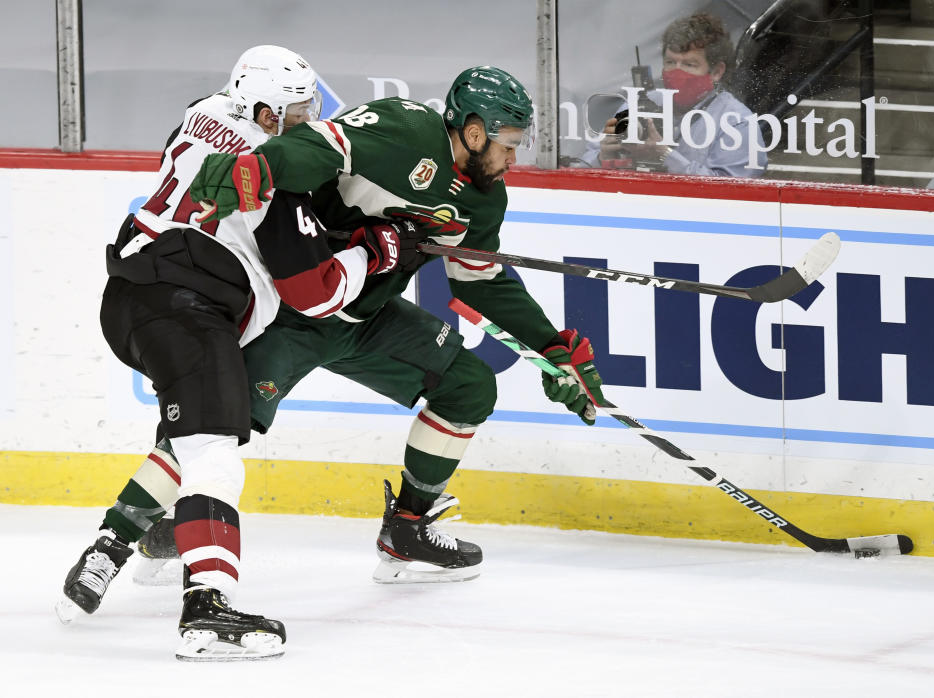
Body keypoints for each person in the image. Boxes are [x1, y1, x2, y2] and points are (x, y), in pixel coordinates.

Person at [63, 66, 608, 602]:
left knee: (469, 386)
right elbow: (319, 146)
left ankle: (407, 528)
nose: (515, 157)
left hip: (369, 318)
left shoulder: (485, 200)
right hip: (296, 311)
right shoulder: (405, 129)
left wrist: (550, 347)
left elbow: (482, 282)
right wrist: (257, 169)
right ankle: (124, 542)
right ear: (473, 131)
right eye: (509, 143)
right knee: (213, 426)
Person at [57, 45, 425, 662]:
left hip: (129, 295)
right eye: (298, 112)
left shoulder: (201, 112)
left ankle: (107, 551)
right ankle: (206, 610)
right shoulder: (267, 172)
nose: (309, 122)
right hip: (186, 306)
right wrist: (378, 251)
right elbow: (313, 293)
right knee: (216, 454)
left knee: (194, 439)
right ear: (263, 110)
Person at [591, 12, 766, 177]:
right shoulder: (638, 104)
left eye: (689, 64)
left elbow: (731, 192)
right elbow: (579, 165)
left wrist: (664, 155)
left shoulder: (737, 122)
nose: (677, 72)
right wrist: (601, 157)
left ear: (716, 71)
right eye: (670, 62)